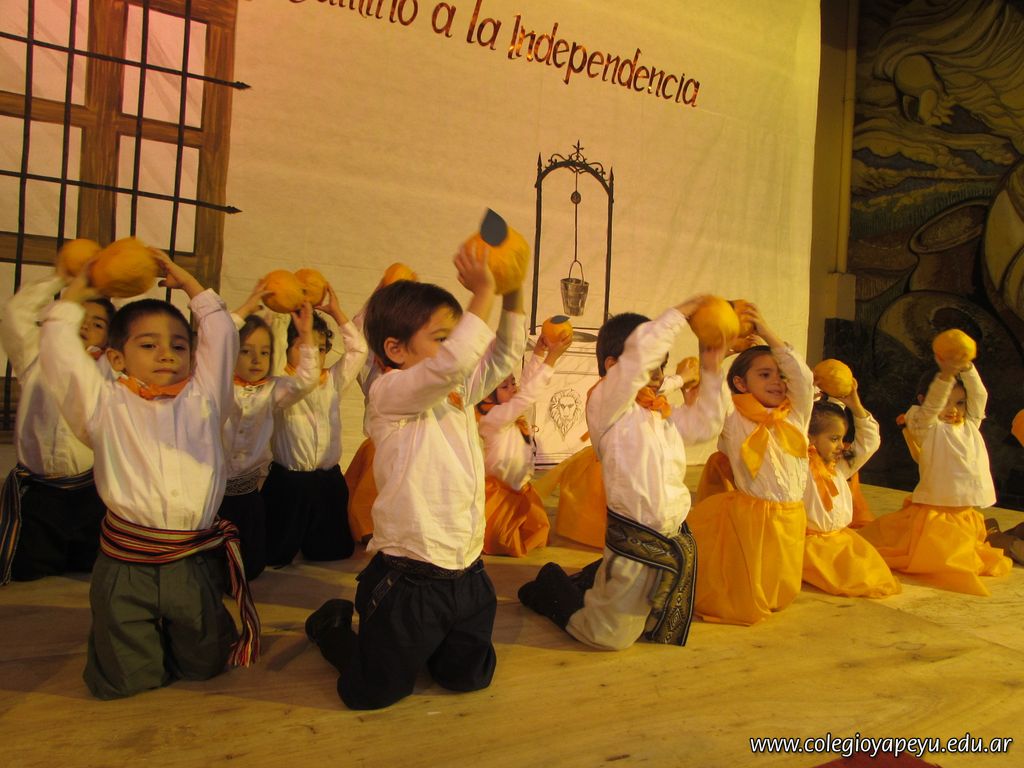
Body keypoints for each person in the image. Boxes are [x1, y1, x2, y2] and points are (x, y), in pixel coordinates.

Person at [305, 241, 525, 710]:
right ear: (395, 350)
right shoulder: (388, 395)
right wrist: (483, 291)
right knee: (371, 693)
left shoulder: (458, 391)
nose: (455, 347)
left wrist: (512, 291)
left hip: (469, 573)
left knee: (469, 679)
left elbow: (504, 355)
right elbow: (452, 365)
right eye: (442, 337)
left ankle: (423, 646)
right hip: (410, 581)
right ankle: (331, 626)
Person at [37, 250, 258, 699]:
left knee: (204, 664)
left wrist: (191, 285)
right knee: (126, 675)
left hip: (191, 559)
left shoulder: (205, 400)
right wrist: (81, 287)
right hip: (126, 563)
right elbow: (60, 352)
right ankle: (139, 665)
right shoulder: (103, 405)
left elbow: (220, 336)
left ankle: (186, 653)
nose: (166, 354)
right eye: (148, 344)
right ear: (116, 358)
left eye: (178, 345)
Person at [518, 298, 728, 650]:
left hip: (670, 535)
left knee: (652, 620)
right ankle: (549, 584)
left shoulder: (657, 413)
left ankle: (595, 578)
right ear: (613, 366)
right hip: (635, 536)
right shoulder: (606, 403)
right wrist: (680, 312)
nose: (659, 374)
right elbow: (637, 363)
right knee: (607, 637)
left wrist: (711, 362)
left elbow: (706, 425)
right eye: (651, 364)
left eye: (662, 365)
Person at [686, 305, 814, 625]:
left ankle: (773, 595)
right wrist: (718, 353)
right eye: (765, 374)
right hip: (751, 514)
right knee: (748, 573)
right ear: (741, 384)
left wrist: (767, 331)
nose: (777, 382)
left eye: (780, 375)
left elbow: (802, 377)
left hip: (792, 513)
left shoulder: (796, 414)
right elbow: (712, 391)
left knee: (780, 573)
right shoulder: (733, 416)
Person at [858, 355, 1012, 594]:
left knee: (965, 552)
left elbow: (979, 395)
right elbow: (930, 409)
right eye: (945, 402)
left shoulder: (971, 424)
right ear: (924, 401)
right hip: (936, 509)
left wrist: (967, 368)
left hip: (963, 509)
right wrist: (946, 376)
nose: (953, 409)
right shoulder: (928, 427)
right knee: (939, 557)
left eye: (960, 402)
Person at [0, 269, 114, 584]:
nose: (86, 326)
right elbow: (16, 313)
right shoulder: (36, 356)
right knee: (29, 573)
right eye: (79, 316)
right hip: (40, 494)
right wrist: (63, 278)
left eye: (98, 323)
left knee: (86, 570)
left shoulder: (112, 373)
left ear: (109, 337)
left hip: (93, 493)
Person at [219, 281, 320, 579]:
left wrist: (305, 335)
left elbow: (306, 380)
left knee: (250, 563)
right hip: (213, 493)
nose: (256, 360)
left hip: (249, 492)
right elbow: (215, 343)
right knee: (212, 561)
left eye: (264, 353)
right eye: (245, 351)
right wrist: (245, 309)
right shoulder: (217, 387)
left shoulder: (272, 390)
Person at [261, 283, 367, 566]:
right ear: (286, 349)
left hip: (327, 478)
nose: (314, 354)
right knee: (274, 554)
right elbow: (295, 371)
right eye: (304, 346)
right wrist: (284, 315)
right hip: (290, 481)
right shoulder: (280, 384)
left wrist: (337, 312)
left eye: (320, 349)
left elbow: (358, 351)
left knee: (333, 550)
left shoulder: (332, 380)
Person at [477, 332, 570, 556]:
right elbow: (526, 396)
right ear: (487, 395)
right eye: (504, 386)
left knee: (538, 531)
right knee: (501, 541)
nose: (513, 388)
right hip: (500, 495)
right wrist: (551, 359)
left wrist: (539, 353)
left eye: (512, 382)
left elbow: (526, 386)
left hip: (522, 489)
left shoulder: (509, 411)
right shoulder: (493, 418)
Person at [802, 393, 900, 597]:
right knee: (853, 581)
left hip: (842, 540)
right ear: (809, 437)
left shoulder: (839, 466)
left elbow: (868, 443)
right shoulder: (799, 467)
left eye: (842, 438)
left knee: (875, 576)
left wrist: (855, 405)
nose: (841, 445)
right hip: (810, 546)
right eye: (834, 439)